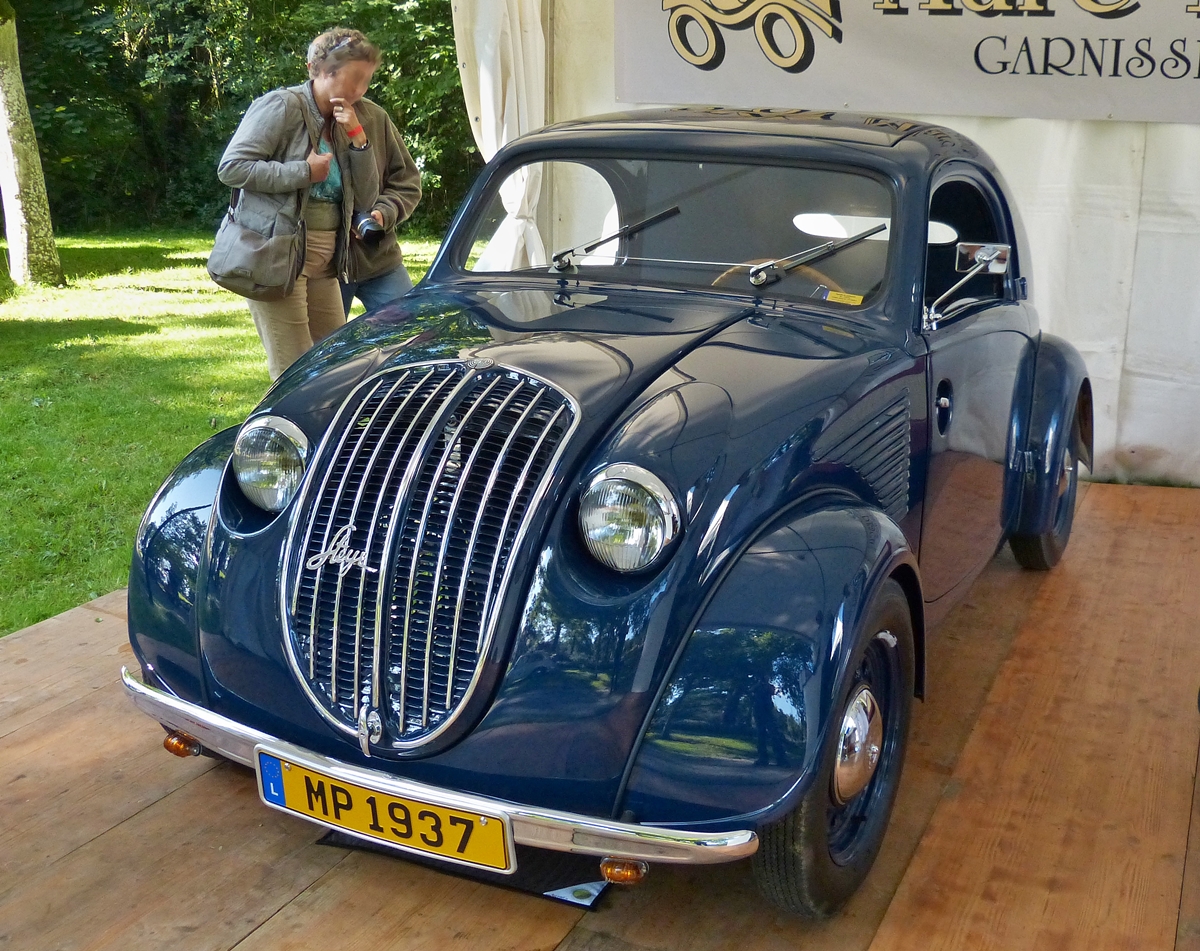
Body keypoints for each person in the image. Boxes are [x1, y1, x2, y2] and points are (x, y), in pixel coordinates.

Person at [217, 29, 417, 380]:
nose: (360, 90)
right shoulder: (282, 106)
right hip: (278, 253)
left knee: (332, 366)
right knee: (293, 371)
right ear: (322, 71)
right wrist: (303, 172)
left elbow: (366, 198)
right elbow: (232, 168)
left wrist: (358, 140)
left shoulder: (359, 116)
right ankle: (282, 420)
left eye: (367, 81)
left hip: (329, 259)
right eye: (354, 79)